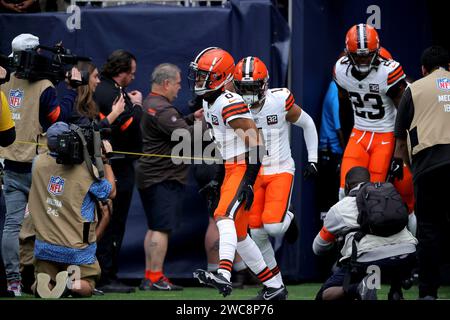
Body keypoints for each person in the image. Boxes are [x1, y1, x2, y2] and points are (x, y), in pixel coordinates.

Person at [190, 47, 286, 300]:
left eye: (204, 76)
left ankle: (223, 272)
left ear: (220, 77)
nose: (198, 81)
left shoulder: (228, 102)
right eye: (198, 75)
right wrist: (217, 179)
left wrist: (249, 182)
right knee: (241, 236)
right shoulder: (209, 100)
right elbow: (226, 146)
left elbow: (256, 144)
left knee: (223, 215)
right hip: (231, 167)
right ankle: (275, 287)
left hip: (244, 166)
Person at [0, 33, 80, 296]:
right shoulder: (45, 86)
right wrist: (70, 90)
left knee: (12, 225)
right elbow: (59, 120)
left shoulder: (4, 79)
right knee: (48, 222)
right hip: (38, 166)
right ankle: (43, 279)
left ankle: (14, 280)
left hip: (9, 162)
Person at [232, 56, 319, 287]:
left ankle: (289, 219)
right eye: (244, 88)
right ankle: (276, 286)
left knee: (274, 226)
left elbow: (307, 123)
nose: (248, 94)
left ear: (264, 84)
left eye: (253, 88)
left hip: (280, 168)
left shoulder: (279, 100)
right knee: (257, 234)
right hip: (253, 173)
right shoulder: (231, 106)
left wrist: (313, 159)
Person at [334, 24, 415, 215]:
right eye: (358, 55)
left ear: (377, 52)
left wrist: (399, 153)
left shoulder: (388, 72)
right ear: (347, 53)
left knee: (377, 192)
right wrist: (346, 143)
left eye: (367, 54)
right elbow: (344, 109)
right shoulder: (340, 70)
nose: (363, 59)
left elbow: (404, 113)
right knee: (344, 192)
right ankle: (349, 239)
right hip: (359, 133)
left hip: (385, 135)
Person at [28, 121, 116, 298]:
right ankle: (70, 284)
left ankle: (44, 285)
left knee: (46, 278)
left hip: (44, 245)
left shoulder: (38, 163)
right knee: (87, 283)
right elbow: (111, 192)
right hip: (76, 250)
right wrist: (105, 160)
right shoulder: (86, 171)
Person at [136, 63, 203, 291]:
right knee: (161, 228)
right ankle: (155, 278)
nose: (178, 88)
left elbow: (173, 128)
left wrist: (192, 117)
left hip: (151, 175)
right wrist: (208, 124)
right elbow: (186, 137)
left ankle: (150, 276)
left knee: (155, 226)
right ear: (166, 83)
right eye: (177, 83)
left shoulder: (150, 103)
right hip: (163, 177)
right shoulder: (163, 109)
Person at [393, 46, 450, 300]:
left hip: (428, 166)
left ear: (423, 69)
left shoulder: (413, 90)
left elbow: (400, 143)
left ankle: (428, 294)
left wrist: (411, 167)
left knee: (428, 231)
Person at [313, 166, 417, 300]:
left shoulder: (339, 208)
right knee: (390, 256)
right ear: (369, 181)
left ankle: (359, 288)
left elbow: (318, 247)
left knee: (324, 295)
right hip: (408, 254)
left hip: (370, 261)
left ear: (347, 187)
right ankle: (396, 291)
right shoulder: (389, 195)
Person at [93, 49, 142, 293]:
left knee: (110, 220)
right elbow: (127, 126)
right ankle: (105, 276)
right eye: (131, 73)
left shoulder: (112, 90)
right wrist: (138, 105)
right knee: (111, 220)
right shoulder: (109, 92)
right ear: (121, 72)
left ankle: (106, 273)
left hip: (117, 164)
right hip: (115, 166)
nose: (133, 77)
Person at [70, 61, 126, 127]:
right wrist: (114, 113)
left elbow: (101, 129)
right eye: (95, 76)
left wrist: (114, 112)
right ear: (84, 78)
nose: (98, 81)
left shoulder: (90, 103)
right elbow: (89, 132)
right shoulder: (73, 104)